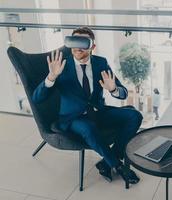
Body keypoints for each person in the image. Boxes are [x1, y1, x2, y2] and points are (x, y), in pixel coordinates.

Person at [32, 27, 142, 184]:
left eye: (83, 42)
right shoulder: (61, 66)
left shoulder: (100, 63)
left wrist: (113, 89)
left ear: (92, 47)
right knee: (88, 128)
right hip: (73, 118)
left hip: (98, 112)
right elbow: (37, 98)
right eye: (75, 41)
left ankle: (106, 161)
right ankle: (118, 166)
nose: (78, 47)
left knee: (135, 116)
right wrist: (51, 76)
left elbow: (123, 93)